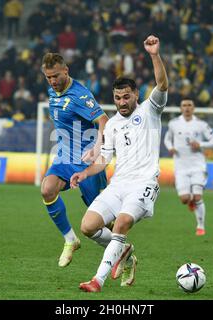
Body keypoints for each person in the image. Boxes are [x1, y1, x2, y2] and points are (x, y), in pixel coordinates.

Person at [70, 35, 168, 292]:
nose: (122, 102)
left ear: (136, 94)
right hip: (119, 184)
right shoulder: (112, 124)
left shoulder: (150, 110)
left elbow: (162, 83)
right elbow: (103, 159)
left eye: (126, 97)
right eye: (117, 98)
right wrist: (84, 173)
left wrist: (154, 54)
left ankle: (97, 280)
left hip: (144, 183)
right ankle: (124, 252)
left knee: (122, 223)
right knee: (88, 226)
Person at [40, 52, 109, 268]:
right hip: (64, 158)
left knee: (101, 223)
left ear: (66, 71)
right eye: (48, 77)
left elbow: (104, 119)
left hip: (86, 162)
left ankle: (125, 256)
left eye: (56, 76)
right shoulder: (53, 91)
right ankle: (70, 240)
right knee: (47, 189)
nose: (52, 81)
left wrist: (97, 148)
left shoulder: (80, 95)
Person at [164, 98, 213, 236]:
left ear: (193, 108)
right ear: (180, 108)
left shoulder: (201, 125)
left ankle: (200, 226)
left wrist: (201, 144)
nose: (187, 108)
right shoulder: (174, 124)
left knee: (197, 196)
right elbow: (167, 139)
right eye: (184, 105)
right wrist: (170, 147)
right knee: (184, 199)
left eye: (189, 105)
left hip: (197, 165)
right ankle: (190, 202)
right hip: (181, 166)